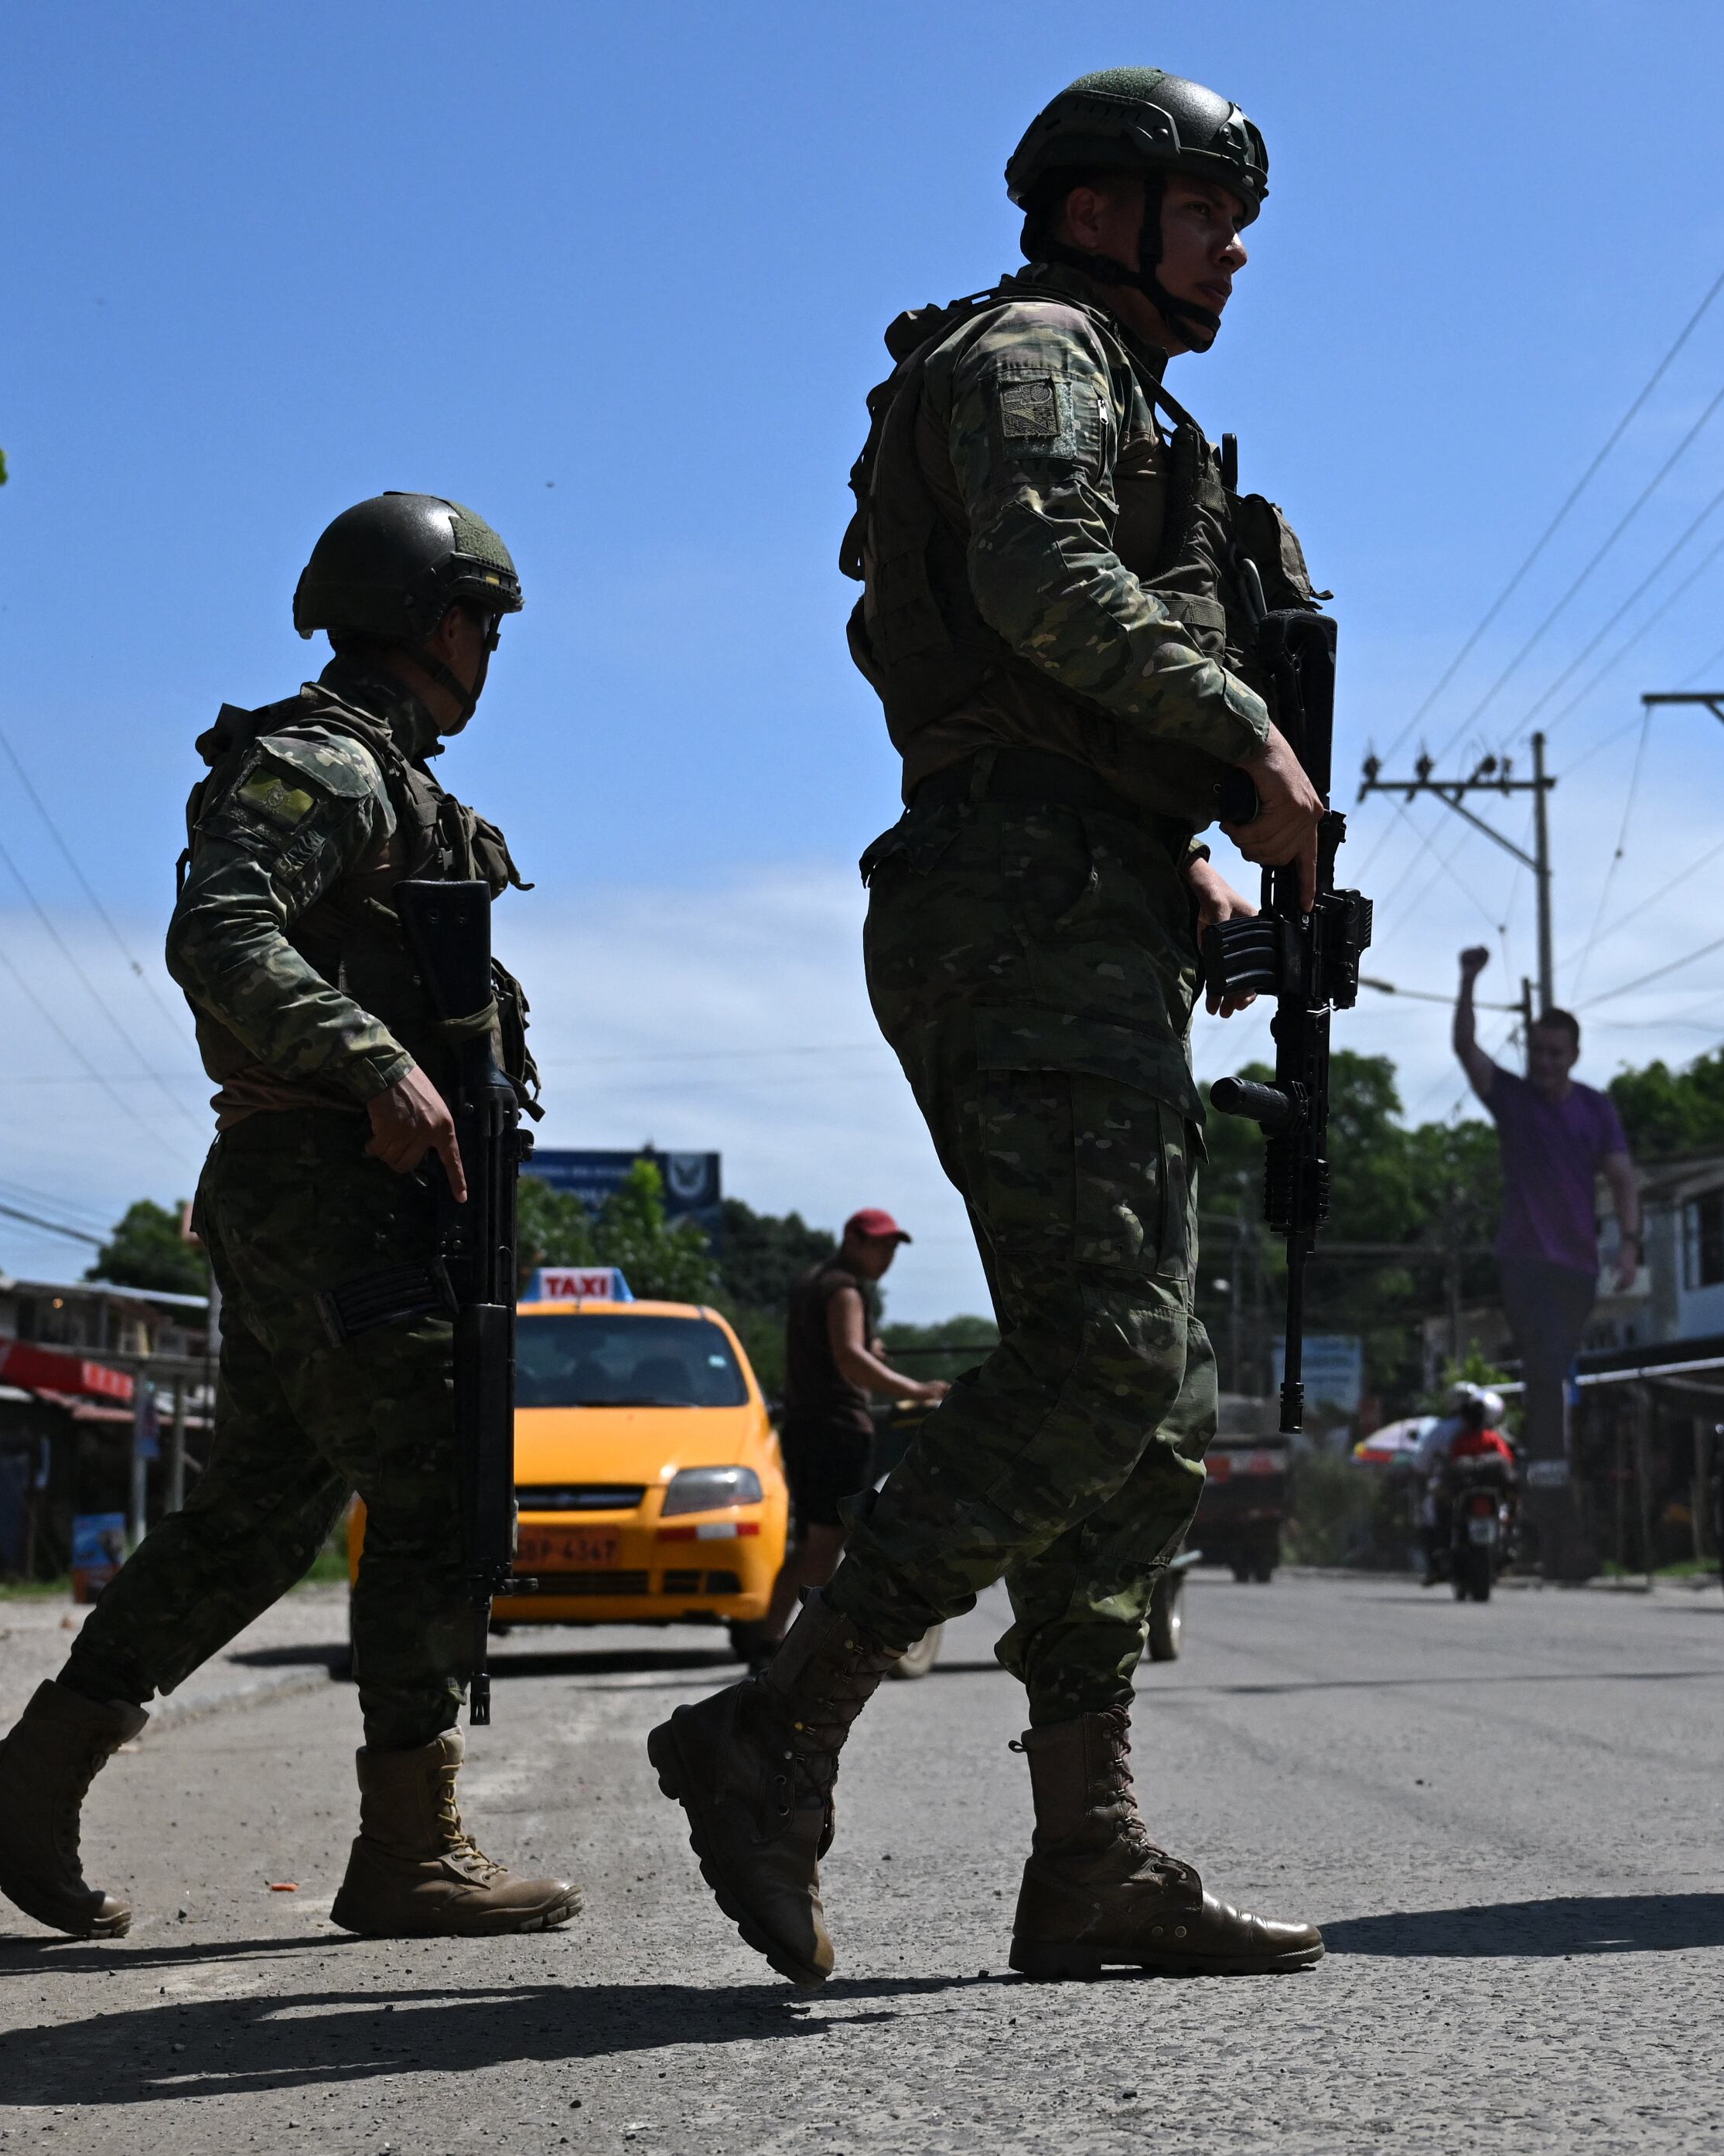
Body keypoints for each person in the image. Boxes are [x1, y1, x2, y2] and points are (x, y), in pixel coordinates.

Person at [646, 68, 1324, 1988]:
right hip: (1012, 897)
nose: (1233, 245)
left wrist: (1173, 844)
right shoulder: (1035, 356)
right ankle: (774, 1728)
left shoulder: (1125, 387)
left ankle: (1085, 1851)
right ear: (1099, 210)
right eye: (1204, 208)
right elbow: (1038, 575)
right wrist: (1235, 735)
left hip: (1086, 888)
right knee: (1106, 1354)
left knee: (1144, 1404)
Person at [0, 493, 580, 1939]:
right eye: (482, 619)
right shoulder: (328, 764)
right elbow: (219, 930)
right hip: (340, 1191)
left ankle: (32, 1778)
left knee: (259, 1512)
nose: (489, 647)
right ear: (435, 620)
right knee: (422, 1491)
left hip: (346, 1196)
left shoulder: (393, 778)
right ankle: (411, 1844)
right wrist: (373, 1060)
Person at [1452, 948, 1643, 1482]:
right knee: (1542, 1359)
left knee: (1556, 1365)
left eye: (1555, 1053)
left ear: (1574, 1055)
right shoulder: (1513, 1098)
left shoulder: (1595, 1108)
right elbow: (1466, 1048)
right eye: (1536, 1051)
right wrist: (1468, 982)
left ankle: (1556, 1460)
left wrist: (1629, 1246)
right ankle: (1550, 1471)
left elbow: (1625, 1179)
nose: (1544, 1062)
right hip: (1523, 1258)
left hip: (1578, 1264)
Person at [745, 1206, 952, 1660]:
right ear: (853, 1241)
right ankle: (799, 1647)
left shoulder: (813, 1283)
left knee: (810, 1542)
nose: (887, 1257)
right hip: (835, 1430)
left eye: (893, 1248)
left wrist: (868, 1347)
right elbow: (850, 1360)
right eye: (880, 1246)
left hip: (805, 1427)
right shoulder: (844, 1290)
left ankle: (766, 1637)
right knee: (827, 1542)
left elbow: (841, 1348)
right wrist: (917, 1390)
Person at [1414, 1382, 1515, 1582]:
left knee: (1433, 1511)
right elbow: (1508, 1460)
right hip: (1480, 1490)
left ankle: (1440, 1559)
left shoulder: (1446, 1433)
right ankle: (1507, 1547)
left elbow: (1422, 1464)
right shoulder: (1493, 1436)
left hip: (1463, 1490)